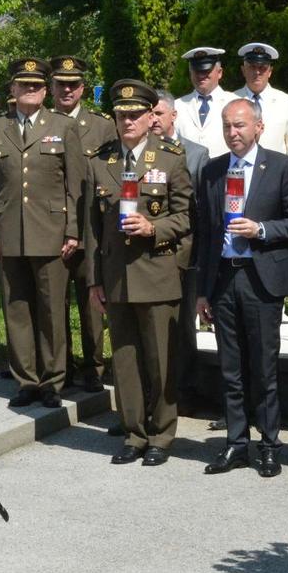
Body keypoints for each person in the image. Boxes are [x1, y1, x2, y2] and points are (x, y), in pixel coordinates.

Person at [195, 98, 288, 478]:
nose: (233, 133)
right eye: (227, 126)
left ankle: (270, 445)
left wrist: (260, 230)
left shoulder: (280, 167)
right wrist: (202, 291)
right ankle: (236, 443)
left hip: (262, 279)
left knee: (264, 367)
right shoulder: (212, 171)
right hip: (224, 278)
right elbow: (206, 234)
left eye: (240, 125)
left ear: (258, 127)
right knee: (230, 368)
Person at [85, 80, 192, 465]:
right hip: (115, 277)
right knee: (125, 360)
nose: (127, 121)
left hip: (157, 272)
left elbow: (185, 217)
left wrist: (153, 229)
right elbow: (91, 229)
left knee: (161, 360)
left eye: (134, 115)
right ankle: (134, 433)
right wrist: (94, 280)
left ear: (151, 117)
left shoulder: (170, 159)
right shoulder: (101, 160)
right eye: (121, 115)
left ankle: (162, 434)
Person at [0, 57, 85, 408]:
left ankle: (54, 381)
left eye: (37, 86)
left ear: (45, 91)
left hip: (52, 233)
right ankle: (26, 380)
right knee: (17, 308)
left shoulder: (63, 126)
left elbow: (75, 184)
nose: (31, 90)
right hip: (9, 232)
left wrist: (73, 231)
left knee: (52, 310)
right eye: (24, 85)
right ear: (13, 89)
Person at [51, 55, 117, 392]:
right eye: (61, 83)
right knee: (54, 303)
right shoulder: (42, 122)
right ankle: (59, 369)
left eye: (73, 84)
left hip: (90, 228)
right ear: (51, 86)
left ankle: (94, 367)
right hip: (51, 230)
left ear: (83, 88)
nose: (66, 89)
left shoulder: (103, 126)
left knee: (91, 301)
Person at [152, 90, 209, 409]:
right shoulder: (139, 151)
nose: (154, 119)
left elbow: (201, 210)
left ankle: (185, 391)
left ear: (174, 115)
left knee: (183, 325)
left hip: (185, 252)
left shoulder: (196, 153)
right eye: (151, 113)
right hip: (149, 253)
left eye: (160, 113)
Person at [234, 43, 288, 160]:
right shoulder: (231, 100)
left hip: (275, 172)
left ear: (270, 71)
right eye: (252, 67)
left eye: (262, 68)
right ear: (243, 70)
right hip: (240, 170)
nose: (257, 72)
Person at [174, 47, 236, 158]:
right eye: (196, 71)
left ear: (220, 72)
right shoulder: (177, 106)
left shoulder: (235, 103)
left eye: (206, 70)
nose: (201, 75)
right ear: (190, 73)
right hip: (187, 172)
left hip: (223, 171)